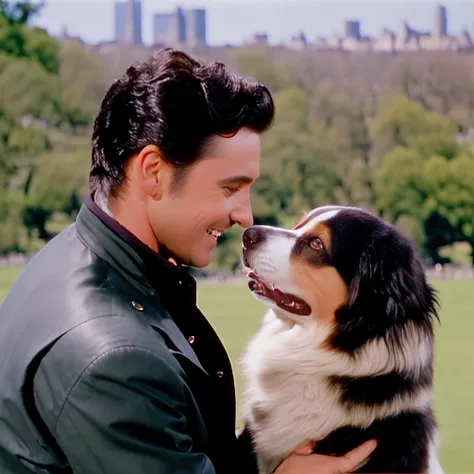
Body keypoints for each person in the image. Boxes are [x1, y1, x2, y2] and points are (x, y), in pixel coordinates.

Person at [0, 48, 377, 473]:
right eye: (230, 188)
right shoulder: (114, 358)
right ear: (153, 172)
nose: (245, 216)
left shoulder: (71, 255)